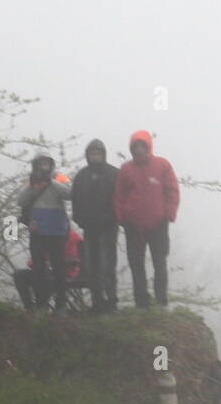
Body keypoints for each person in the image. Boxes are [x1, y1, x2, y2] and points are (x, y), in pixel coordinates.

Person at [113, 129, 180, 308]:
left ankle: (160, 301)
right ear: (132, 148)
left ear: (148, 146)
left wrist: (168, 214)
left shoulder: (162, 165)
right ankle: (141, 302)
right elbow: (119, 195)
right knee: (136, 265)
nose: (140, 149)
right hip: (133, 225)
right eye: (136, 146)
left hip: (158, 224)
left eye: (143, 145)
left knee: (160, 263)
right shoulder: (126, 169)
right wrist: (122, 217)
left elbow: (172, 191)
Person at [18, 153, 71, 312]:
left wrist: (50, 181)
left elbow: (69, 193)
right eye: (40, 164)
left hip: (57, 231)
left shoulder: (60, 177)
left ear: (51, 164)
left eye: (46, 164)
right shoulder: (31, 180)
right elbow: (20, 200)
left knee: (59, 269)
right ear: (36, 165)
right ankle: (41, 306)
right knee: (38, 269)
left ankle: (61, 305)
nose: (43, 167)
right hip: (38, 232)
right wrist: (32, 184)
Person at [71, 138, 118, 312]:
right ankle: (97, 302)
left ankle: (112, 301)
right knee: (92, 265)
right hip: (89, 228)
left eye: (98, 153)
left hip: (108, 227)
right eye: (92, 153)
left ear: (103, 155)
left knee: (108, 265)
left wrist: (109, 218)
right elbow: (75, 202)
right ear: (87, 155)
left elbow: (119, 201)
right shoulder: (81, 176)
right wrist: (80, 219)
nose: (95, 156)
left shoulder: (114, 174)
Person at [13, 228, 83, 311]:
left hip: (65, 273)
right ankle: (29, 309)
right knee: (19, 275)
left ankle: (41, 307)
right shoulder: (43, 236)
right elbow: (34, 260)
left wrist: (54, 262)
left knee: (46, 276)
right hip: (44, 271)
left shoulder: (73, 236)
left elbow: (76, 259)